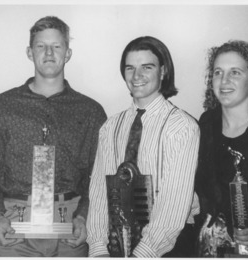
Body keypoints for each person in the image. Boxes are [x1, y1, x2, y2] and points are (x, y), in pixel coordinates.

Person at [0, 16, 107, 257]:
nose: (49, 52)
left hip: (70, 225)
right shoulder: (4, 105)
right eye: (40, 46)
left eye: (56, 46)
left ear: (68, 53)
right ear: (29, 52)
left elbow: (98, 175)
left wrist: (84, 216)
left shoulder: (90, 111)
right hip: (15, 225)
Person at [86, 36, 200, 257]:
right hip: (117, 242)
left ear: (163, 71)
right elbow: (100, 192)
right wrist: (98, 248)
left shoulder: (182, 127)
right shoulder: (111, 127)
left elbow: (173, 204)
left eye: (147, 67)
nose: (137, 76)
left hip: (167, 245)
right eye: (130, 68)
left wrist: (143, 253)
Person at [195, 40, 248, 257]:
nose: (224, 80)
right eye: (218, 72)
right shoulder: (205, 124)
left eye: (235, 72)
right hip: (210, 244)